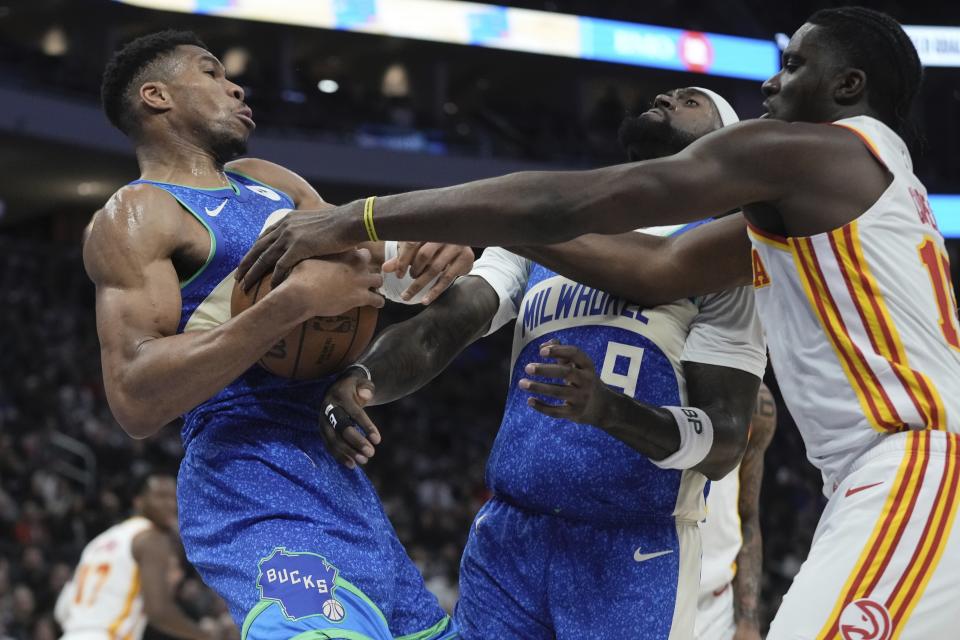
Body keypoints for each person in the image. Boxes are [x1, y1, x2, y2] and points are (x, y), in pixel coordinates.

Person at [239, 7, 960, 638]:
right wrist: (485, 231)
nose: (771, 84)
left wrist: (357, 216)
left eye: (793, 65)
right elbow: (652, 270)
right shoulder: (829, 199)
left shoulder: (812, 153)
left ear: (848, 86)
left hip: (911, 461)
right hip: (871, 473)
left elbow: (569, 206)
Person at [321, 86, 766, 639]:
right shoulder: (548, 237)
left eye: (692, 99)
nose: (668, 95)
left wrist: (610, 411)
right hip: (510, 534)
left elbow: (725, 443)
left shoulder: (721, 262)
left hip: (632, 549)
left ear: (721, 144)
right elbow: (443, 329)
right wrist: (362, 380)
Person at [87, 30, 473, 639]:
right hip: (246, 471)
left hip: (339, 478)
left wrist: (432, 246)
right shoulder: (139, 213)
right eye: (210, 73)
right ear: (156, 96)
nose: (235, 85)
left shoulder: (270, 181)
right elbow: (134, 400)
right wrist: (289, 305)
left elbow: (374, 271)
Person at [55, 474, 210, 640]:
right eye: (161, 496)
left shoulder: (98, 543)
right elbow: (158, 611)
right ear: (139, 501)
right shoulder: (151, 538)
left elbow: (61, 610)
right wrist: (205, 637)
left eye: (174, 497)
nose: (171, 504)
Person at [695, 384, 776, 640]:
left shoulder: (757, 402)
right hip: (648, 589)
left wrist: (749, 619)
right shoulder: (657, 372)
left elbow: (748, 514)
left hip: (714, 606)